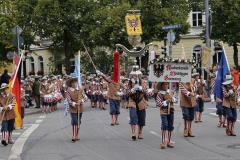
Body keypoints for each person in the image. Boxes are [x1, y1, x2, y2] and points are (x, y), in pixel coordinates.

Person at [96, 51, 123, 126]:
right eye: (111, 74)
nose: (112, 75)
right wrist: (100, 73)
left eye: (113, 74)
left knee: (117, 109)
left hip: (117, 98)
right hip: (111, 97)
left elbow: (125, 89)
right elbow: (105, 77)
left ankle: (117, 120)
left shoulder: (120, 82)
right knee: (112, 109)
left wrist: (121, 92)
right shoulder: (110, 81)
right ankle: (113, 120)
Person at [126, 64, 148, 140]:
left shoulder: (144, 82)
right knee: (133, 116)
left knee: (142, 118)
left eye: (137, 74)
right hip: (132, 101)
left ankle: (140, 132)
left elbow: (145, 91)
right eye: (134, 74)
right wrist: (132, 90)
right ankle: (133, 132)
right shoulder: (129, 83)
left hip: (141, 101)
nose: (136, 76)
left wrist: (140, 88)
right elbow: (126, 93)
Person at [156, 82, 177, 149]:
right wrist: (165, 102)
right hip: (163, 111)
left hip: (171, 110)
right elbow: (158, 104)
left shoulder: (172, 92)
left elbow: (176, 100)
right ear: (161, 86)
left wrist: (172, 98)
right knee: (165, 125)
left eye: (166, 84)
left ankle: (169, 141)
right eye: (164, 84)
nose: (165, 86)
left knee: (170, 126)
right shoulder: (159, 94)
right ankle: (163, 141)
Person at [66, 77, 88, 141]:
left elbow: (85, 98)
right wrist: (74, 103)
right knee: (74, 120)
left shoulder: (80, 90)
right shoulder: (68, 91)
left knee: (78, 121)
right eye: (72, 83)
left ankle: (77, 134)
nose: (74, 84)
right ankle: (73, 135)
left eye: (75, 82)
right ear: (70, 84)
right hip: (73, 108)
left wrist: (80, 101)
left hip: (80, 108)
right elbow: (68, 100)